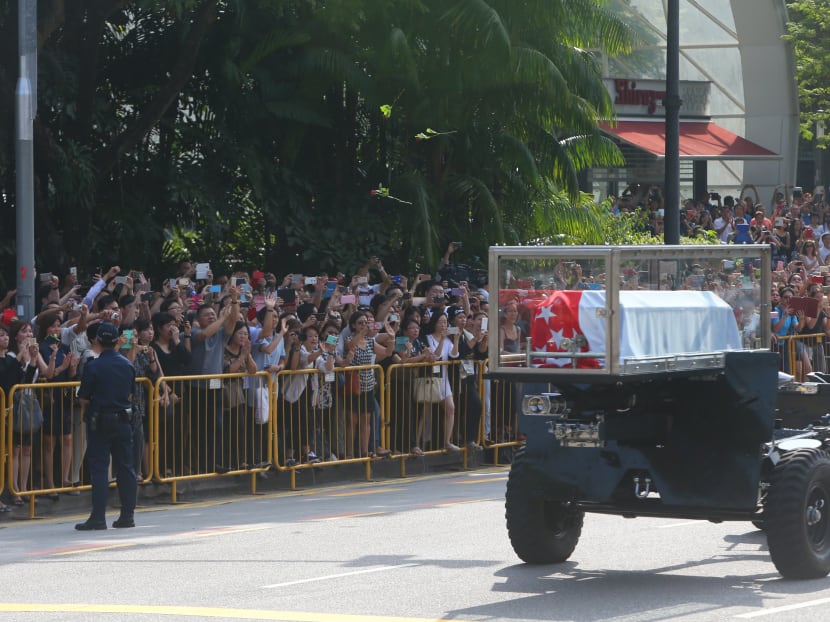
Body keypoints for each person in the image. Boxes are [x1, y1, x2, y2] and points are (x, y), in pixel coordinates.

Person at [75, 322, 137, 530]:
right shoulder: (127, 364)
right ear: (117, 340)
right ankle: (127, 515)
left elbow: (83, 398)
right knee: (126, 468)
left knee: (100, 468)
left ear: (98, 340)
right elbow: (130, 393)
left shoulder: (93, 366)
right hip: (123, 419)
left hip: (99, 419)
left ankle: (98, 517)